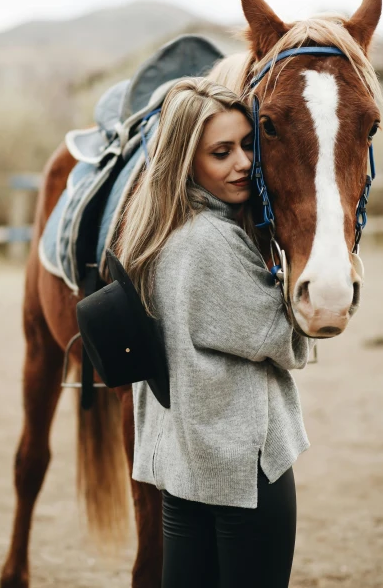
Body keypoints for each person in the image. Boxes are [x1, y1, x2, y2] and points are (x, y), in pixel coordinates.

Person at [117, 77, 315, 588]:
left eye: (249, 144)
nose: (244, 162)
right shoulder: (210, 243)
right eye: (221, 152)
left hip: (184, 473)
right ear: (187, 162)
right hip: (243, 474)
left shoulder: (154, 231)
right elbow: (291, 341)